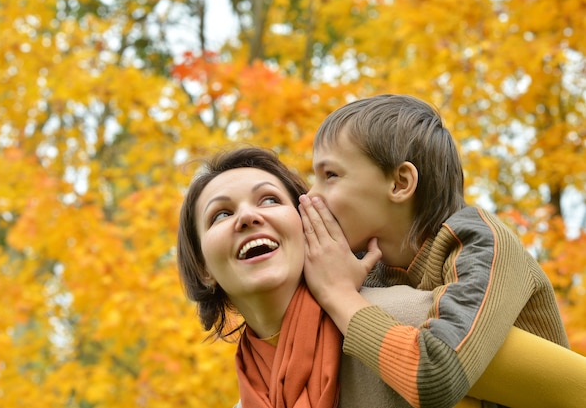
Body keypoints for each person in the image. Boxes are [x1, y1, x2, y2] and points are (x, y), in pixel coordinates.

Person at [177, 147, 586, 408]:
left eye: (270, 199)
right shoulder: (251, 399)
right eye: (221, 214)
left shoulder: (413, 320)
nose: (249, 216)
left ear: (311, 226)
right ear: (203, 268)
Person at [298, 94, 576, 407]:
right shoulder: (365, 266)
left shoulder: (480, 242)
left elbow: (436, 375)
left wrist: (338, 294)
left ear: (401, 183)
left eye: (330, 176)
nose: (311, 196)